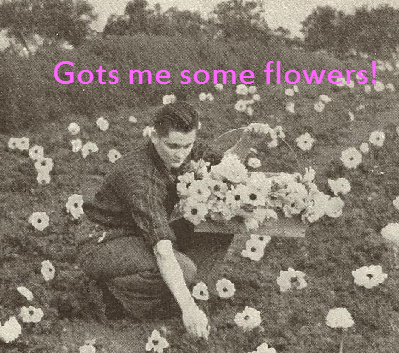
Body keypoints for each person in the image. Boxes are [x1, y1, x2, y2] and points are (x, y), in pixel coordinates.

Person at [76, 101, 270, 340]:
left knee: (218, 227)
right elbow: (162, 250)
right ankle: (109, 297)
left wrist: (246, 143)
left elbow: (224, 165)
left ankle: (176, 296)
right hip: (104, 241)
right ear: (155, 136)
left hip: (139, 232)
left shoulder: (187, 148)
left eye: (187, 145)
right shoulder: (138, 176)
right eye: (173, 146)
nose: (181, 153)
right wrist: (189, 310)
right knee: (184, 269)